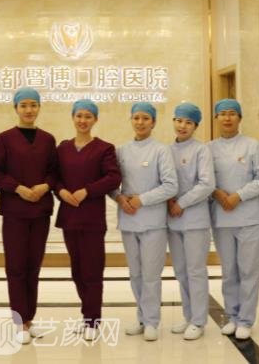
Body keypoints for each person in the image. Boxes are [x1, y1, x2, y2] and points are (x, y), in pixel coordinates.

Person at [0, 87, 58, 345]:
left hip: (40, 211)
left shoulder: (48, 139)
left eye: (33, 105)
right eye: (24, 105)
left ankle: (30, 319)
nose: (29, 110)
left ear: (39, 107)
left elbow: (54, 172)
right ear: (15, 108)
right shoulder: (4, 139)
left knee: (33, 266)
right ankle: (19, 322)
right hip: (15, 211)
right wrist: (17, 188)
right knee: (16, 266)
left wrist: (45, 186)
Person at [55, 99, 121, 341]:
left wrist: (87, 191)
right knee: (77, 271)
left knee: (92, 271)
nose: (83, 120)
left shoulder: (105, 148)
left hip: (92, 218)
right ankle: (86, 315)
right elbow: (54, 177)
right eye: (79, 116)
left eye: (88, 116)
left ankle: (93, 320)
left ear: (95, 120)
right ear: (73, 117)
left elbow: (113, 178)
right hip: (69, 217)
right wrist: (61, 191)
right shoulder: (62, 148)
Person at [112, 102, 177, 342]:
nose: (140, 122)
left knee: (151, 274)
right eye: (136, 118)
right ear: (131, 120)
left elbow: (170, 185)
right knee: (136, 273)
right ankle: (141, 318)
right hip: (129, 220)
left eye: (145, 118)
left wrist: (142, 200)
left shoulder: (161, 150)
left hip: (153, 222)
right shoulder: (121, 151)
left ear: (153, 122)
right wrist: (120, 198)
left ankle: (152, 321)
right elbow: (111, 183)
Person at [209, 98, 259, 340]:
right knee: (229, 271)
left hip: (249, 218)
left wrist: (238, 196)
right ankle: (232, 316)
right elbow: (203, 179)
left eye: (232, 114)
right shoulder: (208, 149)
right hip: (222, 218)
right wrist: (217, 192)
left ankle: (245, 319)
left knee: (249, 271)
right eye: (222, 114)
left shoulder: (252, 146)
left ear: (240, 118)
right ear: (216, 118)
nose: (227, 118)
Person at [166, 103, 214, 341]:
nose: (182, 126)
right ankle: (188, 315)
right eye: (179, 120)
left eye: (188, 122)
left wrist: (181, 203)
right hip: (172, 221)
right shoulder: (166, 150)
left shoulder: (201, 150)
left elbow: (207, 184)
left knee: (195, 271)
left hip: (195, 219)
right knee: (181, 271)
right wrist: (169, 202)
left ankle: (199, 320)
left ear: (195, 126)